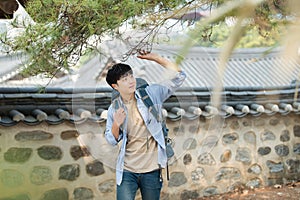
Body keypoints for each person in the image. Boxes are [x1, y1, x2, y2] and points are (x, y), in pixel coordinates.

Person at [105, 51, 186, 200]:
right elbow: (111, 140)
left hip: (151, 170)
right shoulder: (114, 109)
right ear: (115, 86)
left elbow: (179, 76)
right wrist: (116, 124)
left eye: (131, 76)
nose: (131, 81)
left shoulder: (151, 94)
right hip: (127, 170)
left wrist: (155, 58)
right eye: (124, 79)